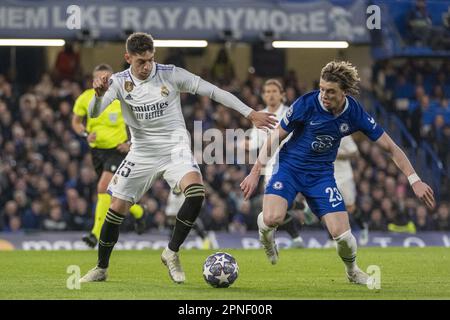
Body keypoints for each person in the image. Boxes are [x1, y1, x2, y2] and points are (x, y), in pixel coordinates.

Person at [80, 32, 276, 284]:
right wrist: (97, 94)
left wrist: (250, 113)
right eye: (140, 61)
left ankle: (171, 252)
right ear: (127, 58)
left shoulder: (170, 74)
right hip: (141, 151)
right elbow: (94, 114)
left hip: (175, 148)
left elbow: (213, 91)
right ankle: (101, 268)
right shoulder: (118, 82)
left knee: (196, 192)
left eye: (150, 59)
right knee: (115, 207)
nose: (147, 66)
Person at [240, 61, 435, 285]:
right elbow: (276, 137)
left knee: (344, 238)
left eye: (330, 91)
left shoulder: (354, 113)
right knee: (271, 218)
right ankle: (266, 236)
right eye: (322, 88)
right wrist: (256, 172)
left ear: (345, 92)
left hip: (321, 176)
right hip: (289, 169)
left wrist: (415, 180)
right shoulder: (306, 104)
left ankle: (352, 272)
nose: (323, 94)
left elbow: (391, 148)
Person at [71, 64, 146, 248]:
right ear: (93, 79)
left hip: (117, 151)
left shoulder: (122, 98)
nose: (103, 82)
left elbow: (139, 121)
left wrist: (129, 143)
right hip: (97, 152)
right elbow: (76, 122)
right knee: (112, 196)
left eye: (106, 78)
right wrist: (85, 135)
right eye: (99, 78)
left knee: (103, 187)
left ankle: (94, 234)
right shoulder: (86, 98)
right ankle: (138, 212)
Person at [246, 79, 304, 248]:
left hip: (290, 163)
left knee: (275, 206)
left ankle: (293, 235)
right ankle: (296, 234)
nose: (271, 94)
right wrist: (241, 144)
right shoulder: (259, 117)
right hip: (269, 167)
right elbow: (256, 144)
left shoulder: (290, 113)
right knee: (272, 208)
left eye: (274, 91)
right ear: (264, 96)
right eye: (267, 92)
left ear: (282, 95)